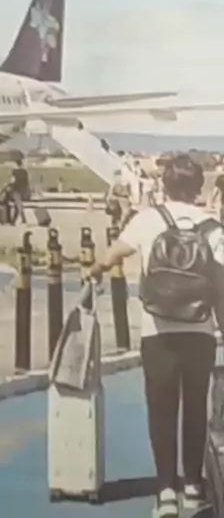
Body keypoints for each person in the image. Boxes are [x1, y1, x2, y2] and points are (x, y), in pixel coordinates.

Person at [87, 154, 224, 518]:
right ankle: (193, 486)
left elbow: (116, 253)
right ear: (199, 187)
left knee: (162, 411)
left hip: (157, 332)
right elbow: (221, 285)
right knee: (195, 408)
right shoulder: (213, 228)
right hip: (200, 333)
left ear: (164, 184)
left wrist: (97, 266)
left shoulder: (148, 220)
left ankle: (166, 492)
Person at [10, 155, 30, 224]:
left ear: (16, 164)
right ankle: (13, 220)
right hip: (23, 189)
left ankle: (24, 219)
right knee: (17, 205)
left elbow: (12, 180)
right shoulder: (24, 172)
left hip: (16, 189)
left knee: (18, 205)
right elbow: (27, 181)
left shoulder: (14, 172)